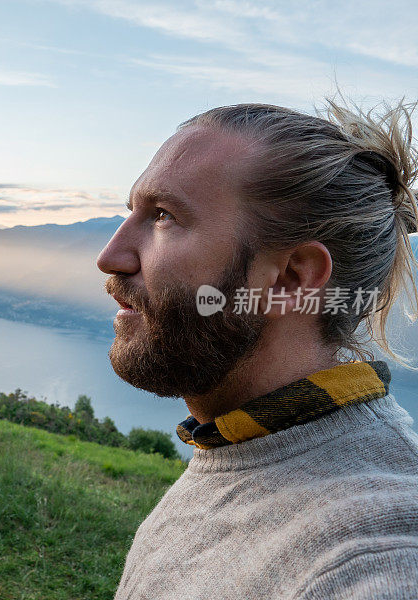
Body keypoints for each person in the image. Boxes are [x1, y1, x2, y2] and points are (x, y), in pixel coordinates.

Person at [97, 99, 418, 599]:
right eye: (132, 212)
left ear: (292, 277)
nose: (110, 256)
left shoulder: (375, 557)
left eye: (163, 216)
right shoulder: (238, 444)